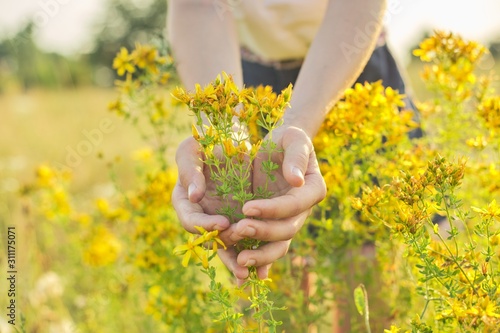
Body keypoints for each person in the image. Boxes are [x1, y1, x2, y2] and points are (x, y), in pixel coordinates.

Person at [168, 0, 403, 285]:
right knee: (268, 266)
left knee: (364, 262)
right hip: (245, 74)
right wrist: (222, 131)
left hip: (350, 60)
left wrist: (298, 122)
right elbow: (199, 5)